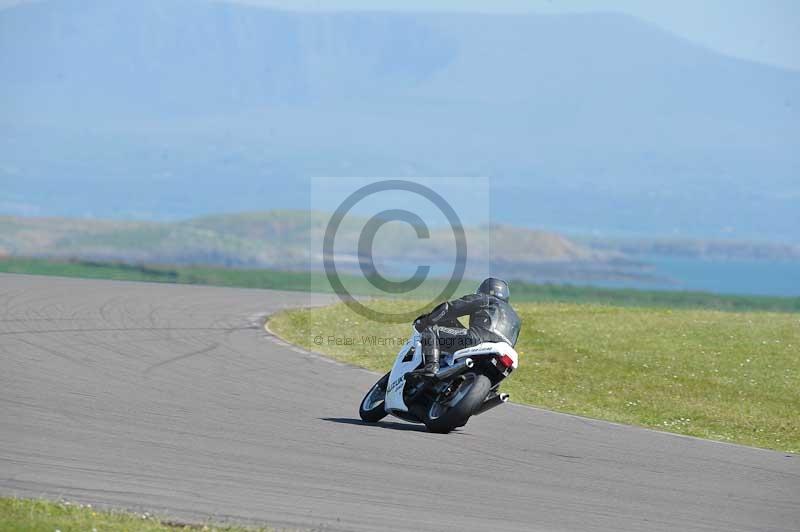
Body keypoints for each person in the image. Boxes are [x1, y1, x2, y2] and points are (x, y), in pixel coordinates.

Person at [409, 277, 521, 378]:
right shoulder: (516, 318)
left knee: (431, 331)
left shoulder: (485, 298)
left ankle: (431, 368)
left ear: (483, 290)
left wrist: (427, 320)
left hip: (476, 338)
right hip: (504, 351)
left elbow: (451, 308)